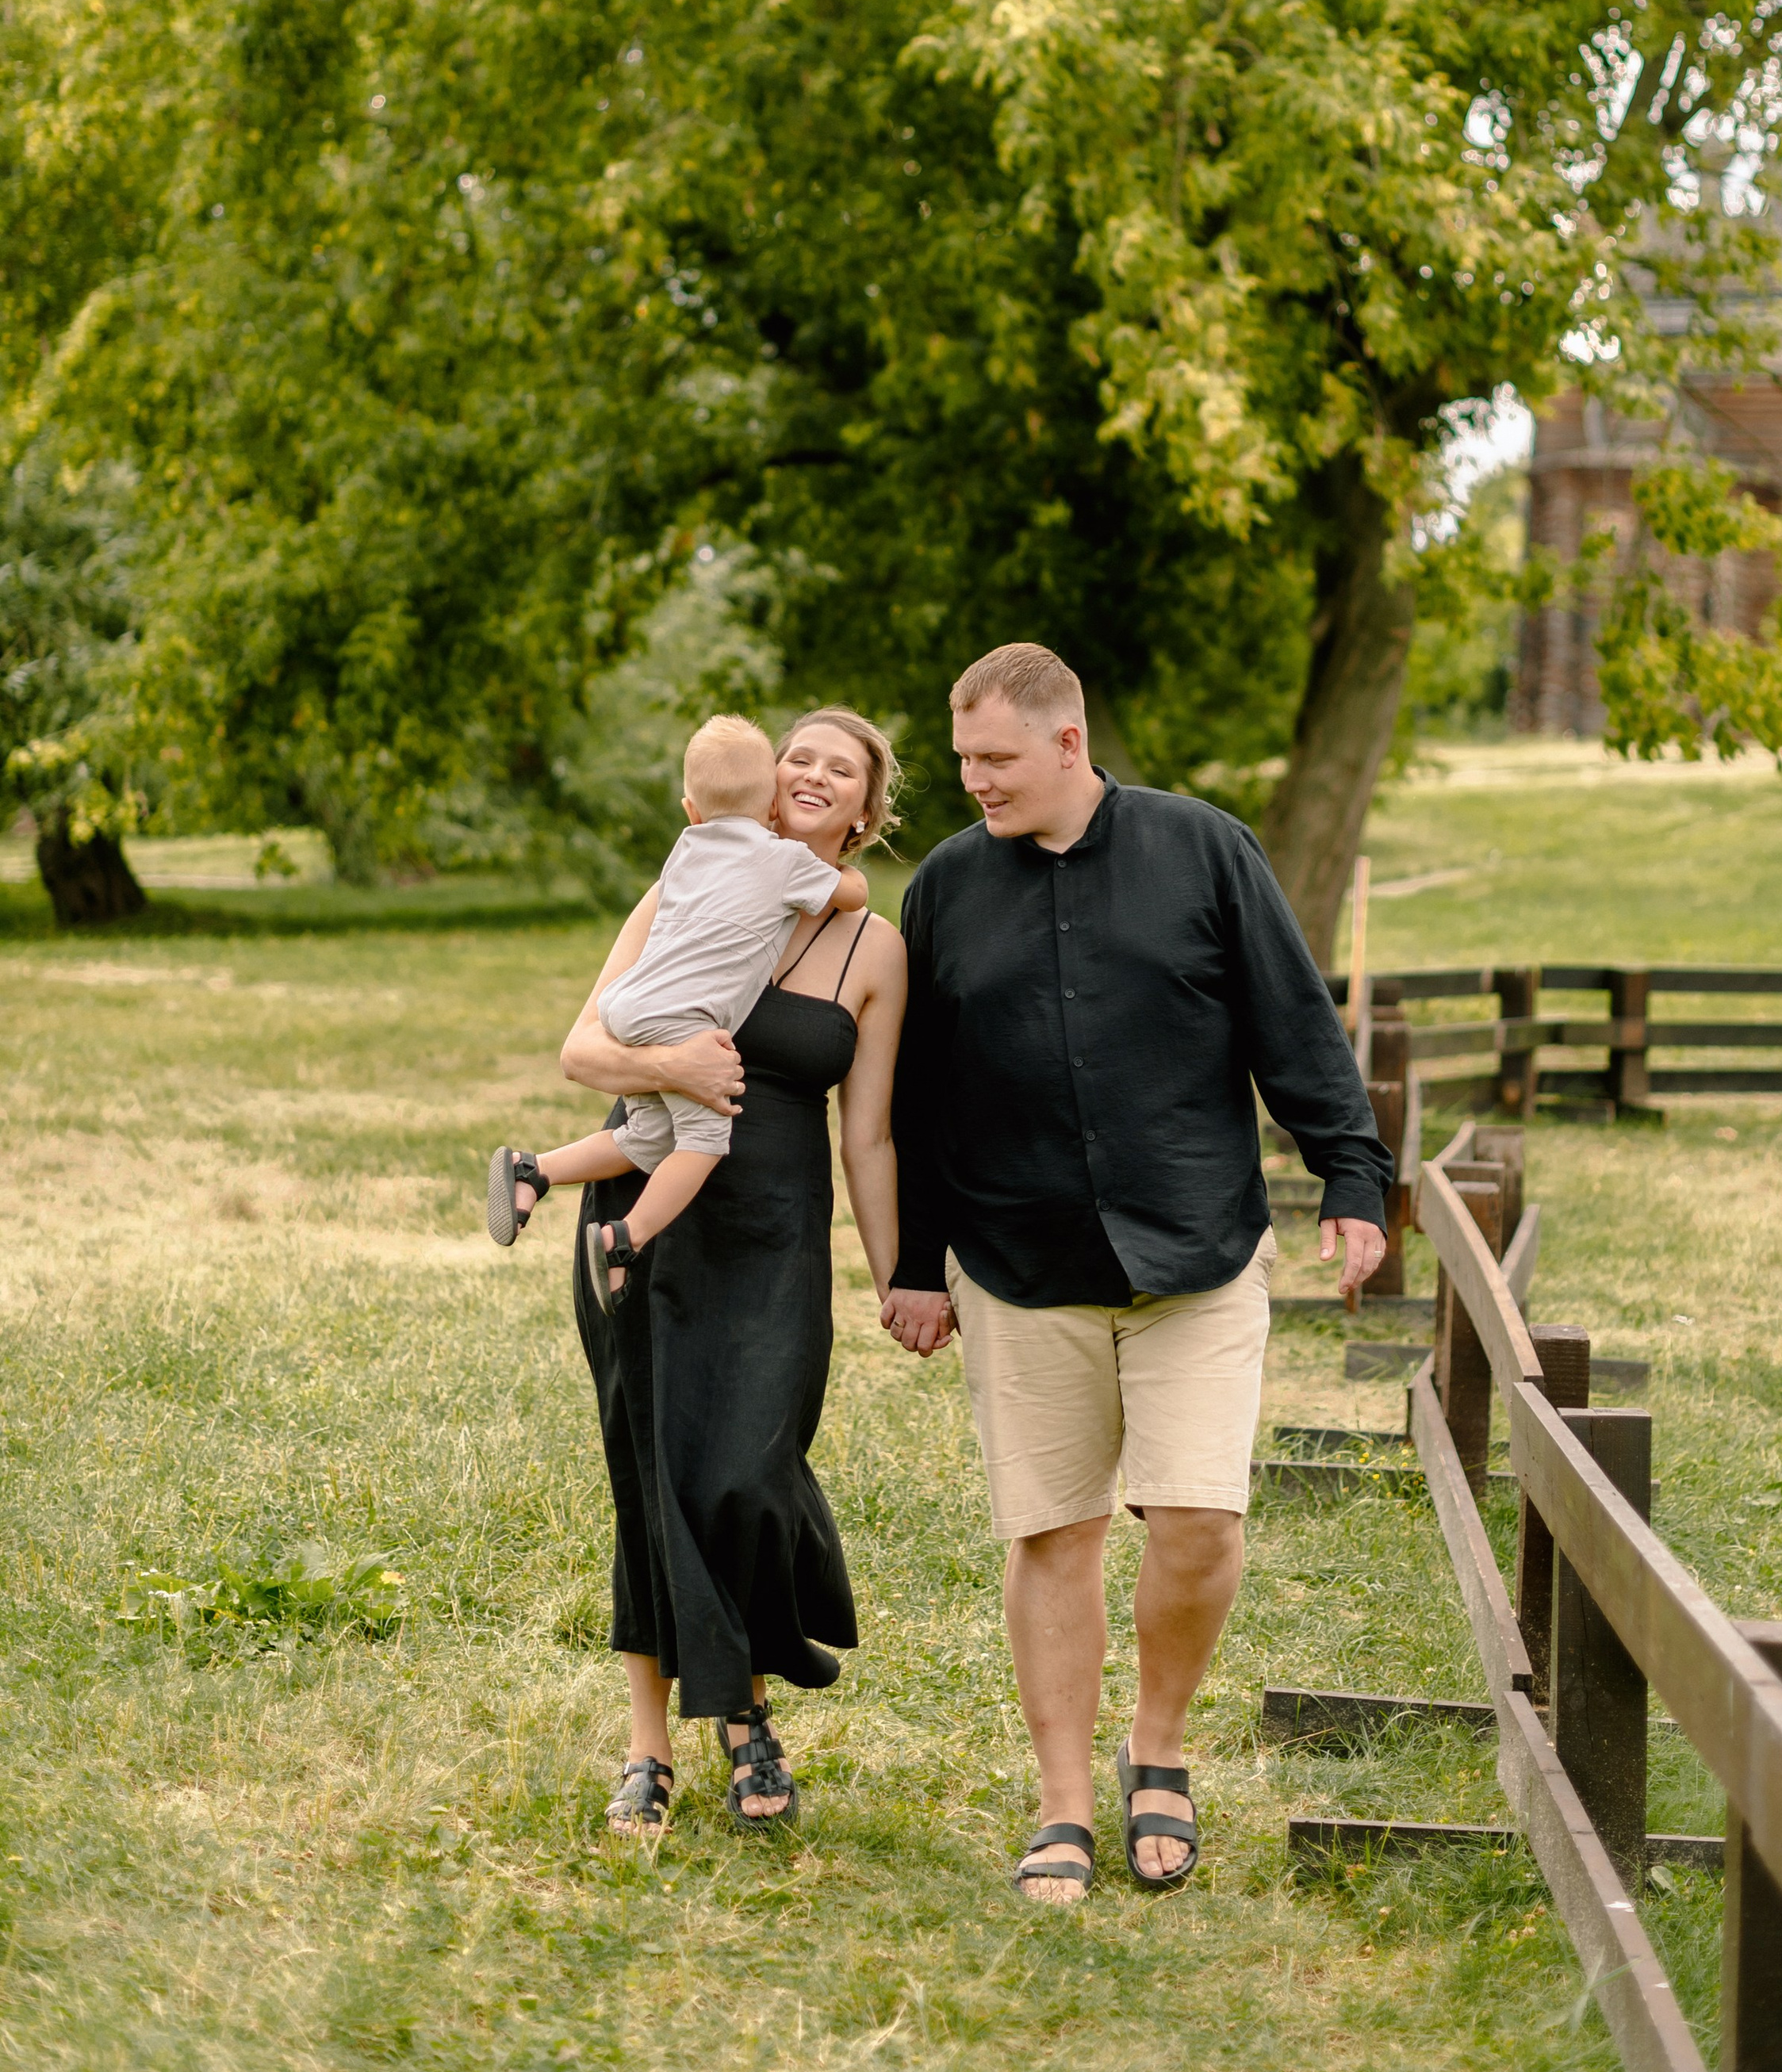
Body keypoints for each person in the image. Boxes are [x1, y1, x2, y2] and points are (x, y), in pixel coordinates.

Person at [883, 642, 1393, 1905]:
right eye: (961, 761)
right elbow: (920, 1097)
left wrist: (1353, 1178)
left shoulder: (1206, 851)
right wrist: (916, 1263)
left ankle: (1156, 1750)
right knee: (1053, 1533)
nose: (974, 783)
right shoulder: (946, 888)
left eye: (995, 760)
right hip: (1019, 1260)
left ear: (1068, 744)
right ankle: (1062, 1805)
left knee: (1202, 1523)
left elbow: (1293, 1022)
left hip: (1196, 1249)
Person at [552, 710, 907, 1836]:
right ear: (759, 786)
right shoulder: (691, 887)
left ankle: (749, 1688)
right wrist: (673, 1063)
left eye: (838, 768)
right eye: (797, 754)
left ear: (864, 811)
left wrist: (901, 1275)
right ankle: (666, 1745)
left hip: (777, 1234)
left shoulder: (874, 947)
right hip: (650, 1217)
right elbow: (583, 1049)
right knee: (653, 1474)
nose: (811, 772)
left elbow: (872, 1139)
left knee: (748, 1472)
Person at [485, 714, 864, 1314]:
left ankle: (533, 1170)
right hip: (680, 1021)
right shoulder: (783, 862)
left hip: (630, 1003)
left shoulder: (687, 850)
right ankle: (622, 1242)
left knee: (650, 1136)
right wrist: (847, 874)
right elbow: (854, 895)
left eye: (841, 769)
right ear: (771, 803)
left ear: (691, 809)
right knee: (706, 1140)